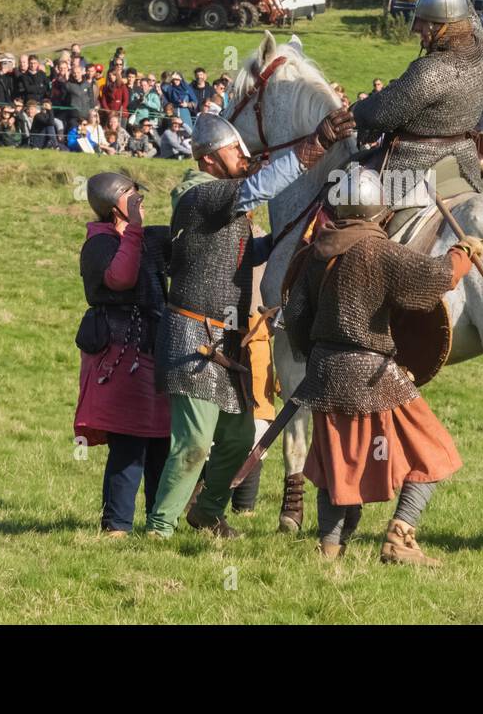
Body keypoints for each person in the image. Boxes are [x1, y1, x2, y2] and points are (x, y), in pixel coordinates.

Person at [146, 108, 355, 540]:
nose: (243, 158)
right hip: (194, 338)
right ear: (207, 159)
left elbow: (242, 252)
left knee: (241, 440)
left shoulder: (221, 206)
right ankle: (158, 528)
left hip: (225, 340)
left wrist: (295, 235)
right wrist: (316, 144)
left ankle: (206, 512)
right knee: (194, 445)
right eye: (233, 152)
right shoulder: (198, 196)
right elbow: (259, 188)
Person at [282, 168, 481, 563]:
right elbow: (435, 280)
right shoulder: (380, 251)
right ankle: (399, 537)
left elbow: (296, 317)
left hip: (323, 372)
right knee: (434, 450)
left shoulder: (314, 252)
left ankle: (329, 550)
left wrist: (319, 358)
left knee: (339, 468)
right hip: (372, 373)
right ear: (379, 210)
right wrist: (463, 254)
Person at [74, 174, 172, 536]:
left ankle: (159, 522)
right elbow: (120, 278)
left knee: (162, 440)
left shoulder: (143, 238)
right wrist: (133, 228)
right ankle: (116, 526)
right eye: (134, 198)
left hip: (152, 349)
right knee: (129, 443)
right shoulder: (99, 244)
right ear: (117, 204)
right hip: (119, 356)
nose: (141, 203)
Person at [351, 0, 483, 197]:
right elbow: (468, 17)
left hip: (412, 165)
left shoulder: (431, 71)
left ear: (440, 27)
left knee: (345, 198)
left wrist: (354, 111)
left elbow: (381, 113)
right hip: (463, 161)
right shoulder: (482, 50)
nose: (419, 32)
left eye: (424, 25)